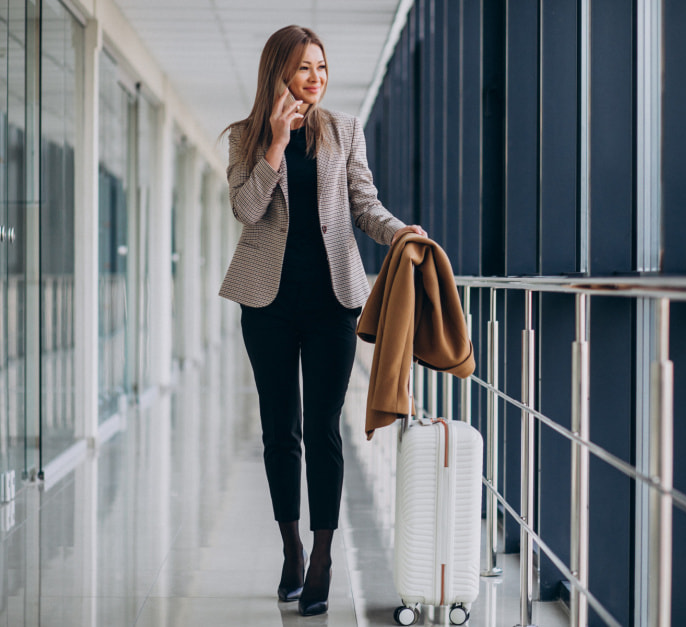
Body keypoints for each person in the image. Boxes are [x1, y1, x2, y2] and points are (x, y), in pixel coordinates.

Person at [218, 25, 424, 616]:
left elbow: (364, 203)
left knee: (323, 427)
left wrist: (398, 232)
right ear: (278, 71)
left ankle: (324, 555)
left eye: (322, 67)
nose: (316, 77)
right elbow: (246, 208)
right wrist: (276, 144)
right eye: (305, 67)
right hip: (267, 303)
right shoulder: (245, 137)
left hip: (334, 300)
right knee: (279, 430)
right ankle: (290, 548)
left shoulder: (344, 131)